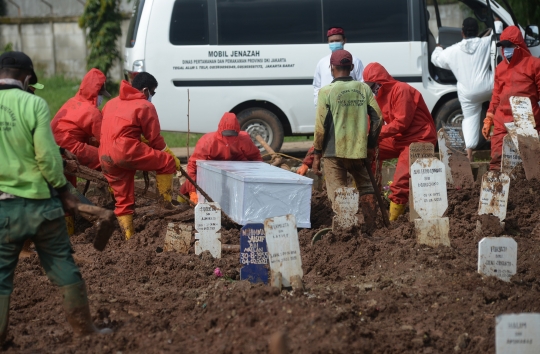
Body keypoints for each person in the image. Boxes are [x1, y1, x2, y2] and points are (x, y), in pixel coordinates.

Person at [0, 51, 111, 344]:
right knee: (63, 265)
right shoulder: (33, 103)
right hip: (40, 205)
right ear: (26, 79)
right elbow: (48, 159)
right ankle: (85, 330)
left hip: (3, 210)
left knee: (0, 277)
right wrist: (64, 192)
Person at [99, 72, 180, 240]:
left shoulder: (111, 103)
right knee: (166, 162)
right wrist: (169, 154)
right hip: (125, 151)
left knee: (123, 198)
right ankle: (166, 206)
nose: (152, 97)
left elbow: (114, 128)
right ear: (145, 90)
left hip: (105, 155)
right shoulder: (145, 106)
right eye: (153, 92)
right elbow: (155, 139)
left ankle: (129, 236)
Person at [311, 50, 382, 233]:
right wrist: (370, 145)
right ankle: (371, 228)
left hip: (332, 152)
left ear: (332, 68)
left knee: (338, 192)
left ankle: (345, 231)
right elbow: (378, 119)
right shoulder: (363, 89)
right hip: (359, 150)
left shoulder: (326, 91)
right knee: (367, 188)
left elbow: (320, 127)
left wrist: (317, 154)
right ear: (351, 68)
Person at [363, 62, 437, 221]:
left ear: (381, 81)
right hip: (398, 138)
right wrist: (366, 138)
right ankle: (370, 194)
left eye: (372, 85)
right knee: (365, 153)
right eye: (368, 86)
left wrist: (376, 134)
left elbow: (402, 122)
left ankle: (392, 221)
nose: (371, 89)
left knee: (401, 182)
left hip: (419, 138)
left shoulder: (401, 90)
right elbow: (372, 121)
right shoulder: (377, 97)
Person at [431, 18, 494, 161]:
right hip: (489, 87)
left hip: (468, 94)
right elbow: (496, 33)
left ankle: (469, 155)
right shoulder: (485, 43)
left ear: (462, 33)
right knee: (501, 105)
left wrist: (438, 47)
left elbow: (436, 59)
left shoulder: (453, 51)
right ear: (477, 32)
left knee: (470, 120)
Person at [482, 26, 540, 171]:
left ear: (518, 45)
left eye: (509, 45)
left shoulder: (534, 65)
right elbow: (496, 96)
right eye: (503, 46)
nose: (505, 49)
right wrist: (489, 117)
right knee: (497, 159)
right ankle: (496, 187)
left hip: (528, 120)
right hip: (503, 121)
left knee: (531, 162)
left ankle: (531, 191)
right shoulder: (500, 68)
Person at [179, 112, 262, 203]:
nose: (228, 139)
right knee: (190, 186)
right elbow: (193, 166)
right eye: (226, 134)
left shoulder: (244, 139)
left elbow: (256, 159)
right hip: (210, 170)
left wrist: (257, 180)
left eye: (232, 135)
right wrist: (192, 191)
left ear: (237, 132)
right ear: (220, 131)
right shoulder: (207, 141)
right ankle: (183, 199)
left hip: (235, 169)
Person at [51, 68, 110, 186]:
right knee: (109, 161)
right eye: (101, 95)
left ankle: (69, 196)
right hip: (68, 146)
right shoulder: (92, 112)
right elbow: (106, 140)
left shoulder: (73, 101)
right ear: (95, 93)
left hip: (53, 143)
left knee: (67, 181)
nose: (101, 99)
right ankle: (120, 195)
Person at [313, 27, 364, 106]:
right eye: (332, 41)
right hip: (328, 107)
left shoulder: (355, 61)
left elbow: (362, 84)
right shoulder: (322, 62)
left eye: (337, 41)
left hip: (349, 106)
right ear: (328, 42)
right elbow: (317, 86)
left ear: (344, 41)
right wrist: (319, 105)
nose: (334, 43)